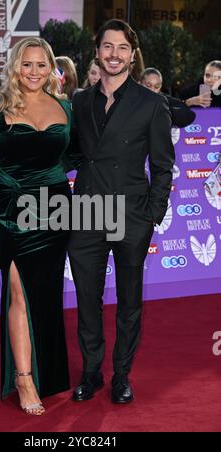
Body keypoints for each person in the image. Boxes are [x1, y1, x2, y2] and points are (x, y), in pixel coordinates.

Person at [68, 19, 175, 404]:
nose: (114, 54)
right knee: (87, 299)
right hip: (86, 212)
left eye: (122, 48)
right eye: (108, 47)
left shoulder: (152, 103)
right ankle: (92, 372)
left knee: (129, 300)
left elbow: (163, 166)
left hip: (131, 216)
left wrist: (152, 214)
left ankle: (122, 375)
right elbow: (73, 153)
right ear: (97, 51)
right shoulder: (80, 100)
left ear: (133, 55)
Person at [0, 37, 72, 416]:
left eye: (41, 65)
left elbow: (76, 153)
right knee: (18, 292)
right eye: (27, 64)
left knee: (46, 294)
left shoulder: (64, 107)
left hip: (57, 209)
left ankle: (47, 371)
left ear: (52, 69)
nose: (34, 72)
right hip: (10, 210)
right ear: (15, 67)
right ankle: (24, 377)